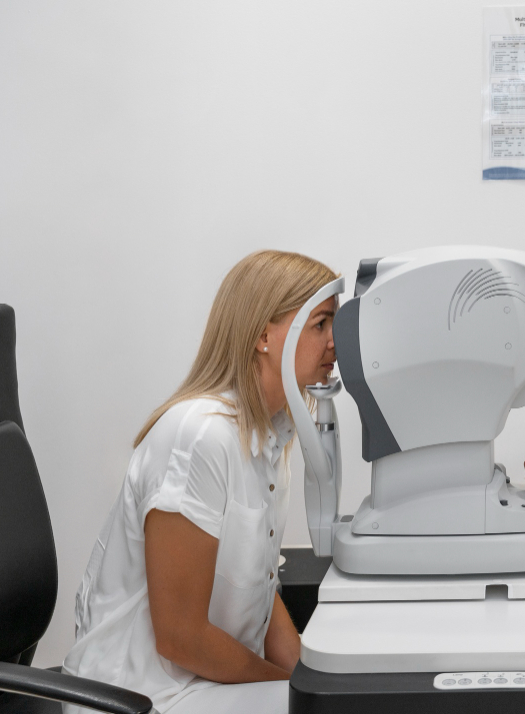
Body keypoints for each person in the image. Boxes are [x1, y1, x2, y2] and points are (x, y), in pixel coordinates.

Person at [63, 250, 340, 714]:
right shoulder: (199, 437)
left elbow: (260, 587)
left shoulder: (273, 436)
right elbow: (180, 637)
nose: (335, 343)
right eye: (320, 324)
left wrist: (310, 681)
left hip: (202, 685)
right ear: (263, 337)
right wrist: (292, 690)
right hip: (142, 697)